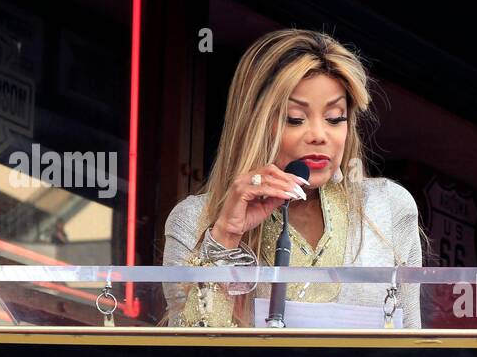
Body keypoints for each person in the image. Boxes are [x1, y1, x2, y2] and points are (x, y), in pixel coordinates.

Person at [162, 29, 423, 327]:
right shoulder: (194, 219)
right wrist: (226, 236)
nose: (319, 136)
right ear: (254, 123)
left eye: (335, 118)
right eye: (295, 119)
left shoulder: (386, 206)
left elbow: (413, 347)